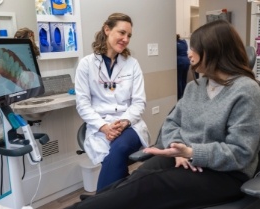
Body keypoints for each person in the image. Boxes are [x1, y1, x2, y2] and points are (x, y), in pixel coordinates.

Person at [66, 19, 260, 209]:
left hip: (225, 173)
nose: (188, 54)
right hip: (186, 156)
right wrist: (178, 149)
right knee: (137, 177)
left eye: (193, 48)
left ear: (214, 51)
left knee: (147, 186)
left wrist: (191, 152)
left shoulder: (246, 90)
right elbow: (171, 123)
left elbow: (240, 153)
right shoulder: (195, 87)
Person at [75, 13, 150, 191]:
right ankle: (122, 197)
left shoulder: (132, 64)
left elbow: (139, 102)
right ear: (107, 29)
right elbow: (83, 104)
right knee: (114, 159)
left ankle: (100, 202)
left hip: (129, 125)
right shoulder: (86, 64)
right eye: (121, 33)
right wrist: (104, 127)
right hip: (100, 126)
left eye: (129, 35)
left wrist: (123, 122)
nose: (125, 39)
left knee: (119, 148)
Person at [176, 34, 190, 100]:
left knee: (179, 80)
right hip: (186, 61)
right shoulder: (184, 42)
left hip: (180, 62)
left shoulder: (175, 43)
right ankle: (185, 95)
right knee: (184, 79)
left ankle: (180, 97)